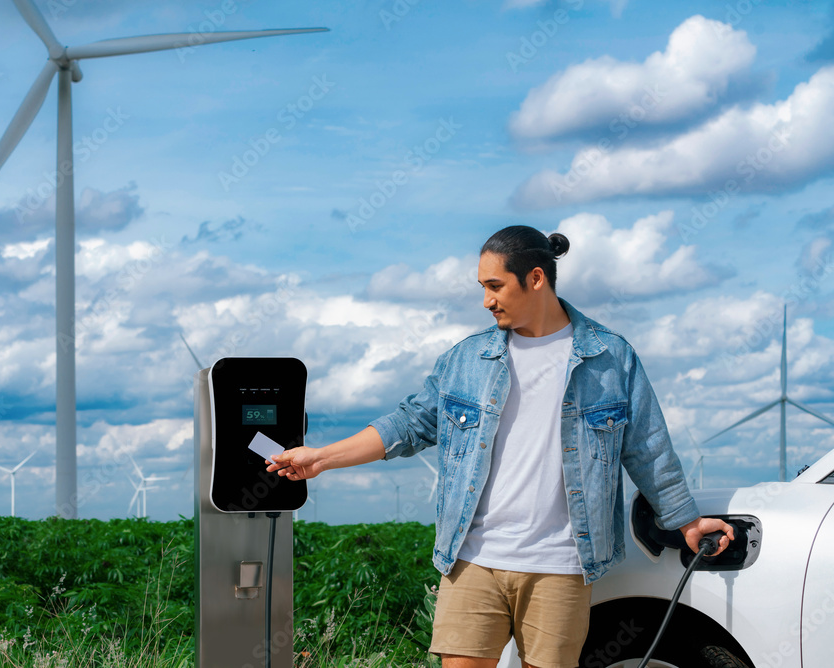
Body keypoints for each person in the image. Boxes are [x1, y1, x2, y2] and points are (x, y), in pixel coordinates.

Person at [267, 225, 734, 668]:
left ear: (535, 279)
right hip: (473, 558)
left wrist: (687, 520)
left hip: (561, 564)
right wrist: (321, 458)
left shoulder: (611, 358)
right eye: (482, 288)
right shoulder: (467, 359)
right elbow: (408, 424)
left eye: (495, 286)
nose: (486, 301)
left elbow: (647, 447)